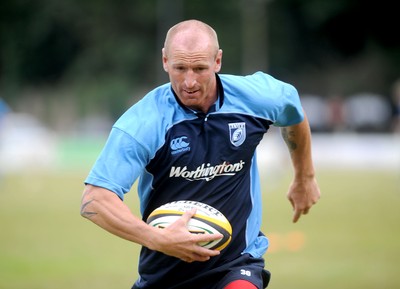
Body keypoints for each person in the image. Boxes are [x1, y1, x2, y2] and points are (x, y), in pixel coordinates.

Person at [81, 19, 321, 289]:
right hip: (164, 273)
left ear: (217, 61)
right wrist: (156, 239)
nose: (190, 81)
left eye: (200, 68)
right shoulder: (143, 123)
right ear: (164, 60)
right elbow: (95, 200)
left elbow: (292, 112)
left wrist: (304, 176)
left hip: (236, 263)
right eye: (180, 68)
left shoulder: (256, 98)